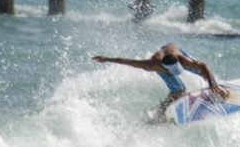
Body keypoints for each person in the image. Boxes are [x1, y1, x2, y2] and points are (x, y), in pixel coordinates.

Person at [93, 43, 228, 113]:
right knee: (179, 90)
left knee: (204, 73)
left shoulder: (182, 59)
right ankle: (161, 111)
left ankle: (216, 90)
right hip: (161, 62)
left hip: (173, 52)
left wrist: (212, 84)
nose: (175, 72)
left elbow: (204, 65)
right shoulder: (153, 65)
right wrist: (107, 59)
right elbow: (129, 61)